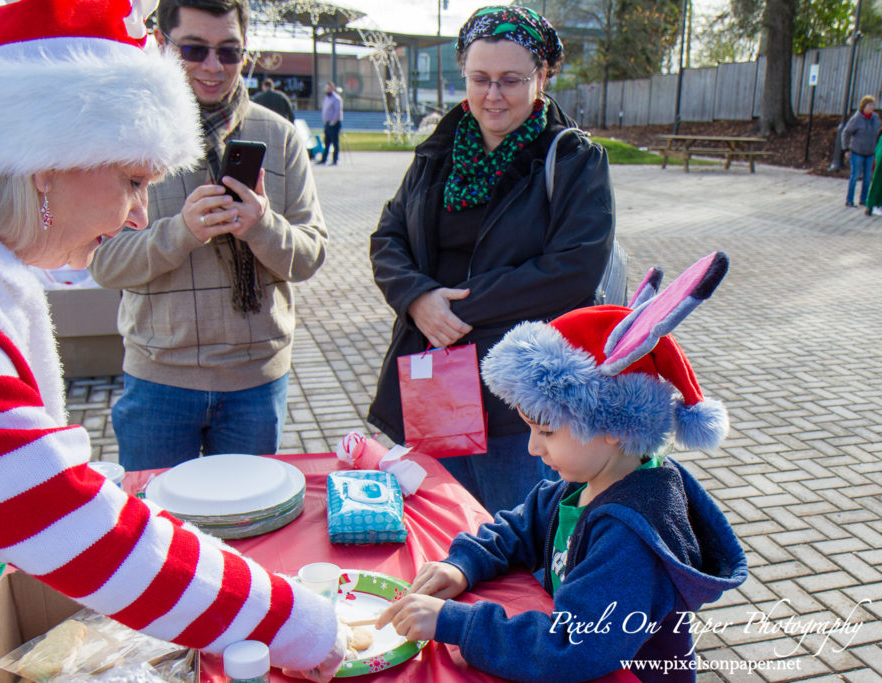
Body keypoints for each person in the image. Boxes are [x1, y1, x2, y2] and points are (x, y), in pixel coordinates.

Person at [0, 1, 342, 681]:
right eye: (133, 181)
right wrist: (291, 621)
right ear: (47, 161)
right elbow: (67, 524)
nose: (140, 210)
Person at [376, 253, 747, 682]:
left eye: (547, 431)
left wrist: (456, 622)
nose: (534, 447)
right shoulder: (586, 480)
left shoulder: (631, 537)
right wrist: (463, 565)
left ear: (611, 424)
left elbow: (572, 646)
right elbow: (521, 527)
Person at [368, 5, 614, 514]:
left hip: (519, 398)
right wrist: (416, 299)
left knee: (519, 543)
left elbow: (575, 269)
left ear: (541, 76)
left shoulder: (572, 159)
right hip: (434, 380)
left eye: (510, 80)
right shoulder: (439, 151)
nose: (492, 94)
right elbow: (388, 237)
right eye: (480, 78)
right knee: (446, 534)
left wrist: (455, 307)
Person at [89, 0, 327, 471]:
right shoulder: (126, 139)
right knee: (157, 530)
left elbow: (312, 252)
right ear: (161, 44)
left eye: (230, 51)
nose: (214, 67)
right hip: (160, 382)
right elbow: (104, 261)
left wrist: (262, 227)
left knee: (247, 533)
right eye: (194, 50)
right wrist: (181, 232)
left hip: (255, 384)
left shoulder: (278, 135)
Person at [841, 94, 880, 207]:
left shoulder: (875, 118)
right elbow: (846, 132)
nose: (872, 107)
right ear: (864, 106)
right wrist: (846, 148)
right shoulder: (857, 119)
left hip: (870, 153)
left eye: (873, 105)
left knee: (867, 178)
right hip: (857, 152)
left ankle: (863, 200)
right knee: (855, 176)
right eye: (870, 105)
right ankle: (849, 200)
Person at [319, 81, 343, 165]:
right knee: (326, 142)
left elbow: (337, 112)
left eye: (329, 88)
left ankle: (335, 159)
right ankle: (324, 159)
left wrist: (333, 122)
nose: (327, 89)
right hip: (327, 123)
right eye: (326, 88)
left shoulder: (336, 99)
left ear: (332, 89)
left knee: (335, 142)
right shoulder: (326, 98)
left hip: (334, 124)